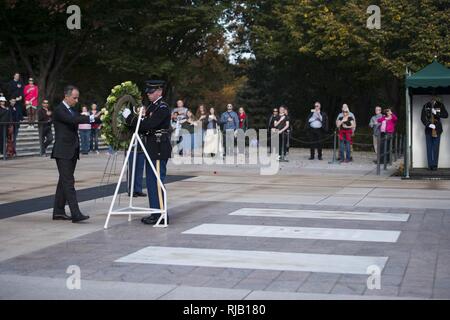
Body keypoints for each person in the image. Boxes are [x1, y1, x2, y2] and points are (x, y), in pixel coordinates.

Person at [123, 80, 172, 225]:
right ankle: (156, 213)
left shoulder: (162, 107)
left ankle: (161, 216)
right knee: (151, 182)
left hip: (158, 148)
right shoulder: (152, 106)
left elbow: (148, 125)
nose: (149, 94)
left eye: (151, 92)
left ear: (159, 91)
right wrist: (131, 119)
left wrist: (130, 118)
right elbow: (143, 125)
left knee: (156, 182)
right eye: (148, 92)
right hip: (151, 148)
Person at [51, 85, 101, 223]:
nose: (77, 100)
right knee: (68, 182)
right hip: (63, 151)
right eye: (74, 98)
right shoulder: (59, 110)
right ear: (66, 96)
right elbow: (73, 120)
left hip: (71, 150)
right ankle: (75, 213)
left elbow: (78, 118)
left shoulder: (71, 110)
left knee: (64, 182)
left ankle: (58, 211)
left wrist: (99, 119)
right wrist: (91, 118)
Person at [421, 97, 448, 170]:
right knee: (429, 148)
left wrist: (437, 113)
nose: (432, 98)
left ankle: (435, 165)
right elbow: (422, 118)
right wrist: (428, 124)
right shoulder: (426, 106)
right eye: (431, 97)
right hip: (428, 129)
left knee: (436, 148)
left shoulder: (440, 105)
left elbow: (446, 115)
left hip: (437, 128)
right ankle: (430, 165)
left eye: (434, 96)